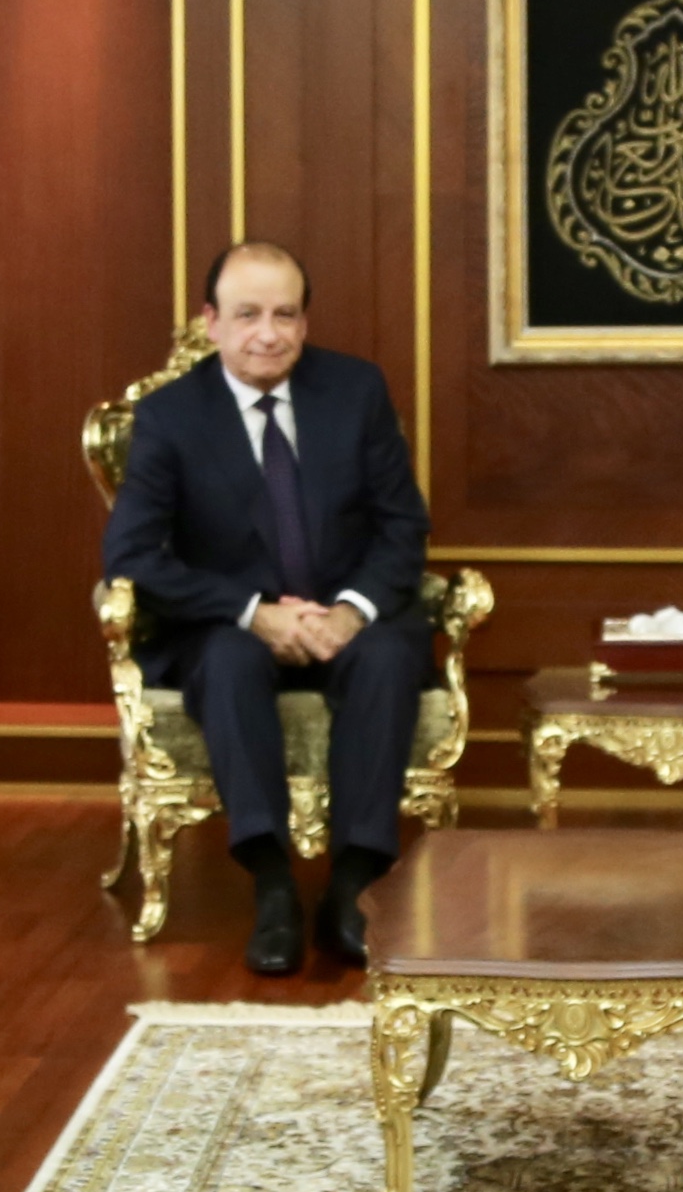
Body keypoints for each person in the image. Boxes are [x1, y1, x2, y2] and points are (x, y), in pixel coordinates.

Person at [100, 238, 433, 975]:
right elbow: (132, 557)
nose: (268, 333)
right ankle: (273, 886)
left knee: (385, 654)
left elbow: (401, 526)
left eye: (285, 314)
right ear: (211, 321)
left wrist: (347, 611)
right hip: (227, 626)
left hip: (342, 619)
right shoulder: (169, 416)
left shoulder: (356, 392)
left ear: (305, 323)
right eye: (247, 314)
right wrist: (253, 611)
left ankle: (351, 885)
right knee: (225, 659)